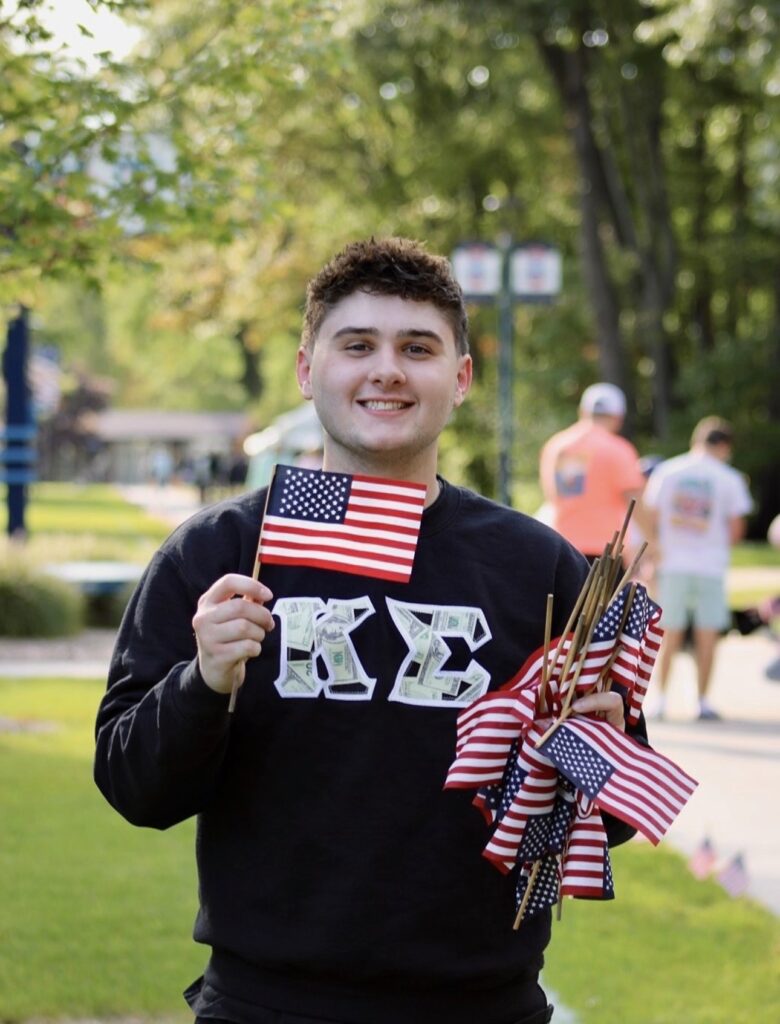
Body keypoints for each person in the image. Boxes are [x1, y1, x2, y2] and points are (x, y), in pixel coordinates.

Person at [94, 237, 641, 1024]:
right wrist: (203, 680)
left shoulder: (541, 567)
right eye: (358, 345)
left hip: (483, 1003)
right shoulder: (217, 553)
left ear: (459, 380)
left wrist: (595, 747)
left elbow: (615, 821)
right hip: (268, 1001)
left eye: (417, 348)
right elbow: (133, 787)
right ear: (307, 370)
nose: (386, 369)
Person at [642, 416, 753, 720]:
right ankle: (701, 700)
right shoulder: (729, 477)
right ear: (723, 446)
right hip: (710, 565)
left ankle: (661, 698)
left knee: (669, 632)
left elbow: (649, 515)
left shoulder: (668, 471)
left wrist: (655, 553)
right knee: (707, 633)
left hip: (673, 563)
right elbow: (736, 528)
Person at [539, 382, 648, 563]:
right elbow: (634, 501)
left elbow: (553, 496)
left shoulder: (558, 447)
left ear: (582, 411)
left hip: (561, 546)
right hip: (606, 553)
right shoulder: (618, 450)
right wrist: (652, 541)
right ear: (618, 417)